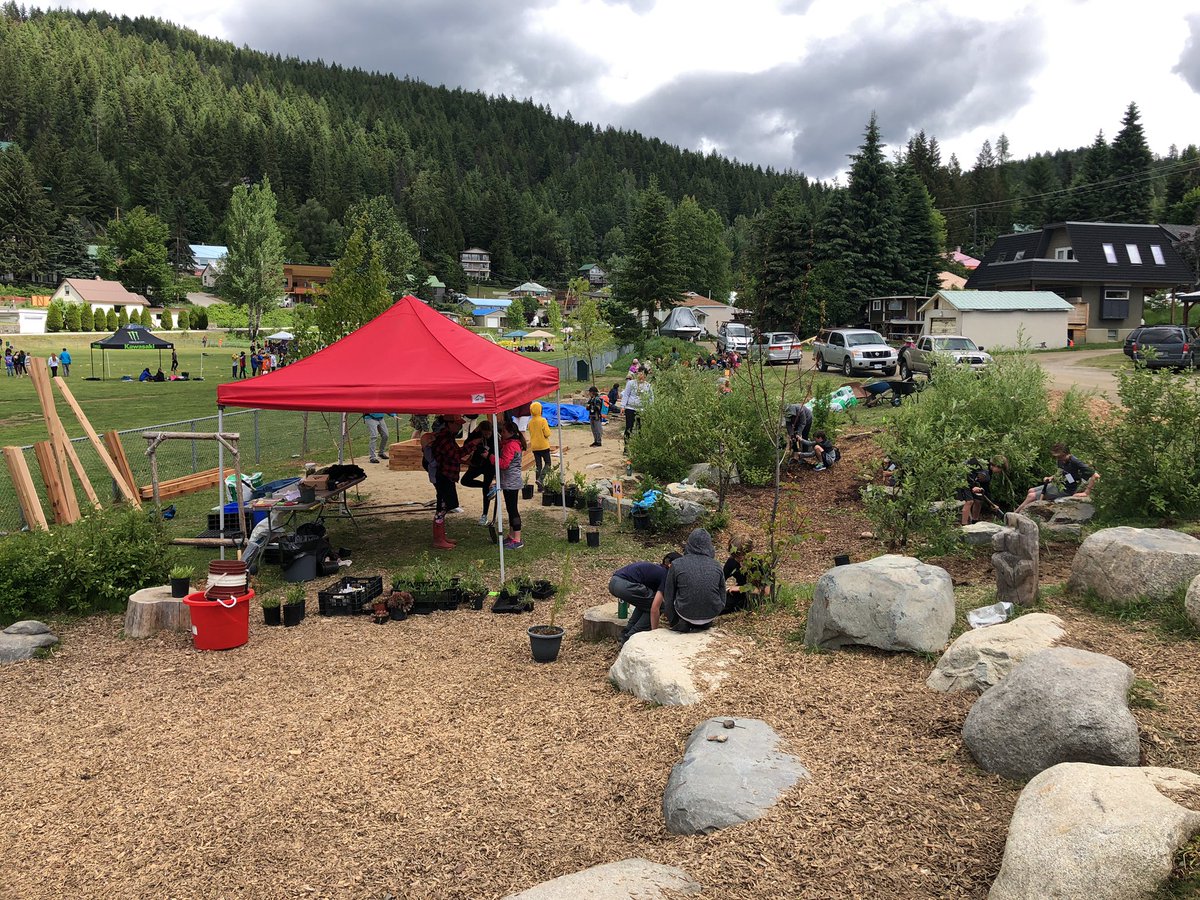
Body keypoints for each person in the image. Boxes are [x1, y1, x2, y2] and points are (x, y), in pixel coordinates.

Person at [651, 528, 726, 632]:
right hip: (711, 614)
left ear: (689, 544)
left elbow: (669, 596)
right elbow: (723, 595)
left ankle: (684, 623)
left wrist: (673, 621)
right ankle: (704, 622)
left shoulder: (677, 564)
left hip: (684, 614)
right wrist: (716, 609)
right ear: (709, 546)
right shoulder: (717, 566)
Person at [608, 553, 681, 643]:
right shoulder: (666, 575)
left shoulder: (657, 570)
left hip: (614, 582)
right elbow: (655, 608)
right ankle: (630, 638)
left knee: (645, 604)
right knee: (659, 606)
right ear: (671, 566)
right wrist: (654, 632)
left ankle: (625, 633)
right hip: (625, 585)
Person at [1016, 443, 1099, 513]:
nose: (1058, 459)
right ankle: (1026, 512)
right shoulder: (1061, 460)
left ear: (1066, 454)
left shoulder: (1075, 462)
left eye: (1060, 457)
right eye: (1057, 457)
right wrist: (1051, 477)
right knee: (1031, 490)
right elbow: (1060, 472)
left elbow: (1095, 475)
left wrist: (1086, 492)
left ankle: (1015, 514)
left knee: (1031, 496)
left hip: (1067, 489)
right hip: (1058, 484)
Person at [489, 417, 526, 550]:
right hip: (509, 481)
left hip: (511, 482)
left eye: (503, 432)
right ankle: (511, 536)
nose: (502, 434)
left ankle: (517, 538)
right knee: (510, 510)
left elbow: (504, 464)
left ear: (511, 432)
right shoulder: (510, 443)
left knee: (513, 510)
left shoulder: (511, 445)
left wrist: (491, 457)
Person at [429, 414, 465, 550]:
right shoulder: (444, 439)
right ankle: (438, 539)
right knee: (442, 507)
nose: (460, 426)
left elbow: (456, 453)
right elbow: (456, 455)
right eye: (457, 424)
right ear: (449, 424)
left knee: (445, 505)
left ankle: (441, 536)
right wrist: (471, 445)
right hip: (444, 475)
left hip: (446, 475)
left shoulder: (448, 437)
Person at [460, 421, 496, 526]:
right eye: (485, 434)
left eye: (488, 433)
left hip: (489, 465)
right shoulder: (476, 434)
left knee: (486, 492)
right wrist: (474, 438)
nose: (487, 436)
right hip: (476, 464)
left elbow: (497, 450)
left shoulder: (495, 436)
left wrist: (489, 455)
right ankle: (487, 486)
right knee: (465, 481)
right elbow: (466, 444)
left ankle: (484, 515)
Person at [957, 456, 1007, 525]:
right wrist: (973, 487)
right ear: (996, 466)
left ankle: (975, 521)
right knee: (969, 501)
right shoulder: (983, 468)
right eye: (1000, 469)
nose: (999, 472)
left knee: (979, 499)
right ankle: (964, 526)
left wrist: (991, 504)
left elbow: (986, 488)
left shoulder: (989, 471)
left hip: (971, 481)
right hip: (963, 479)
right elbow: (970, 476)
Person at [621, 370, 653, 441]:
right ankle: (626, 447)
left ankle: (640, 446)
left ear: (645, 376)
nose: (640, 376)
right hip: (630, 408)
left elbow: (651, 397)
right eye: (639, 374)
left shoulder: (648, 385)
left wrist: (650, 408)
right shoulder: (631, 383)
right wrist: (623, 406)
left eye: (643, 374)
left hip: (642, 409)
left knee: (640, 428)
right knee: (629, 427)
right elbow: (626, 394)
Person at [527, 401, 553, 489]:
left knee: (538, 465)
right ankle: (541, 479)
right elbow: (547, 433)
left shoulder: (530, 422)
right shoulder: (543, 420)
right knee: (548, 463)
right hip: (543, 445)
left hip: (534, 446)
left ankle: (539, 487)